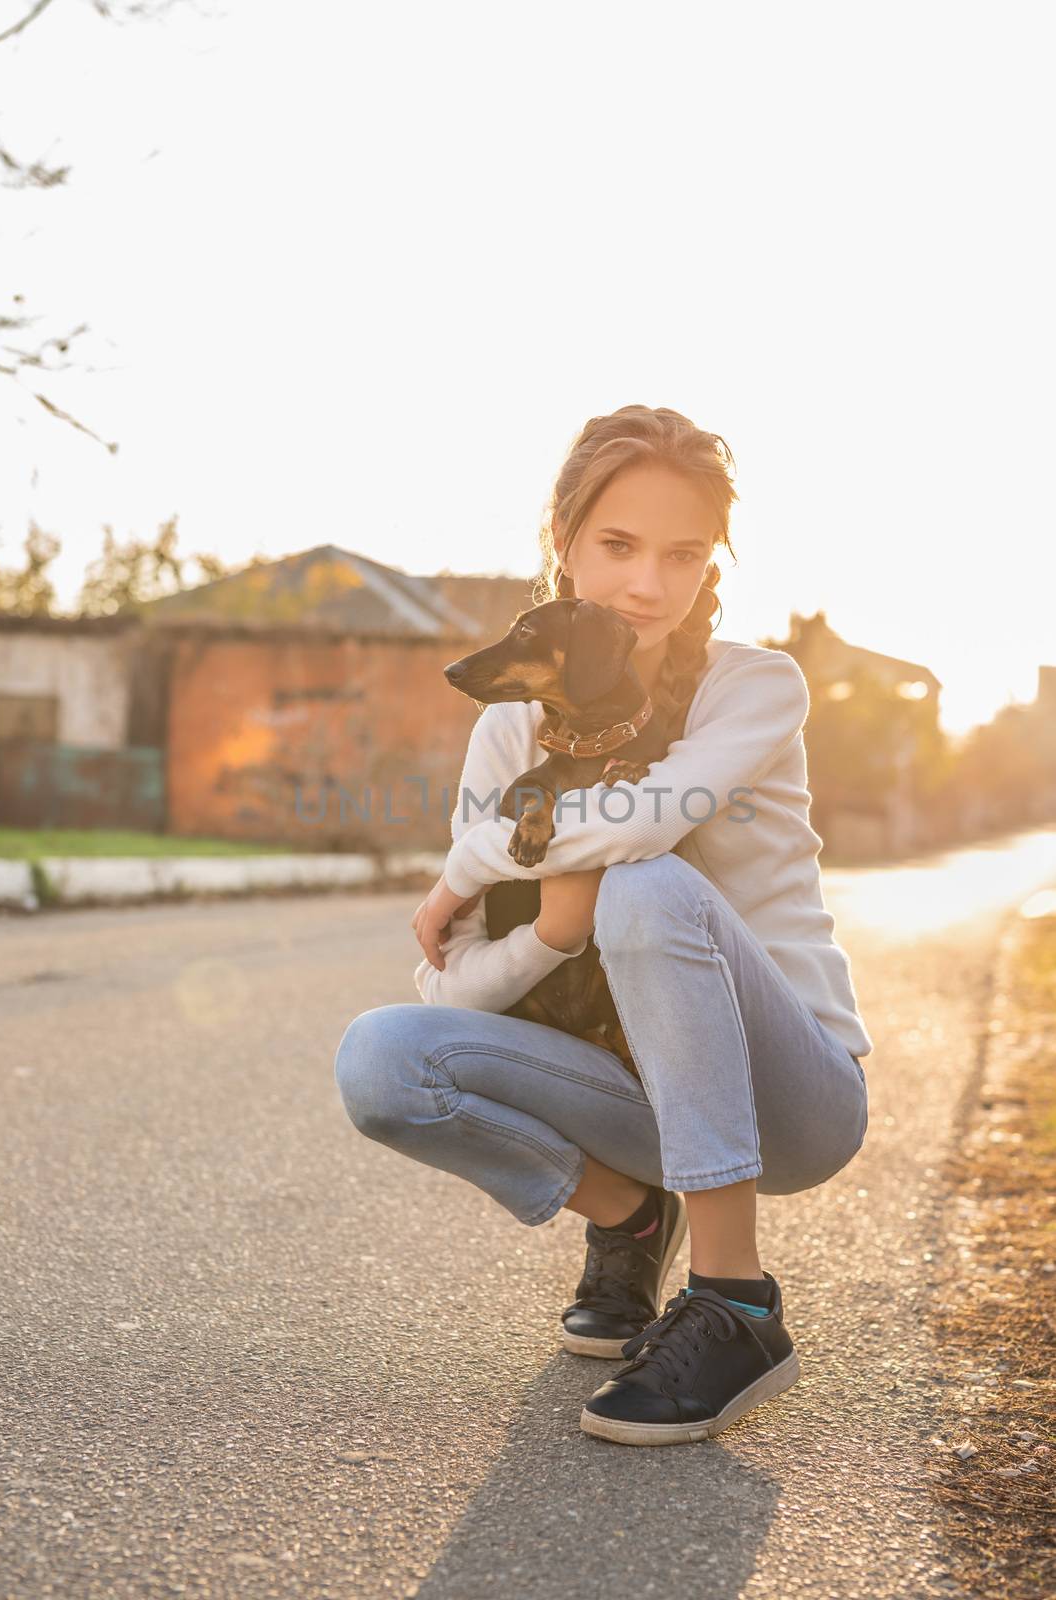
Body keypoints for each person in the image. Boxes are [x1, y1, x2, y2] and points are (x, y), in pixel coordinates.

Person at [334, 404, 872, 1448]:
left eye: (683, 554)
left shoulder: (756, 688)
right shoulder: (510, 725)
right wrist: (549, 938)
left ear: (713, 561)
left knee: (642, 880)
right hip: (641, 1102)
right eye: (618, 546)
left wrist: (466, 863)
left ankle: (735, 1301)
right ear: (566, 546)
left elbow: (649, 821)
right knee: (380, 1059)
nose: (646, 585)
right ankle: (629, 1212)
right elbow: (453, 982)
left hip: (794, 1100)